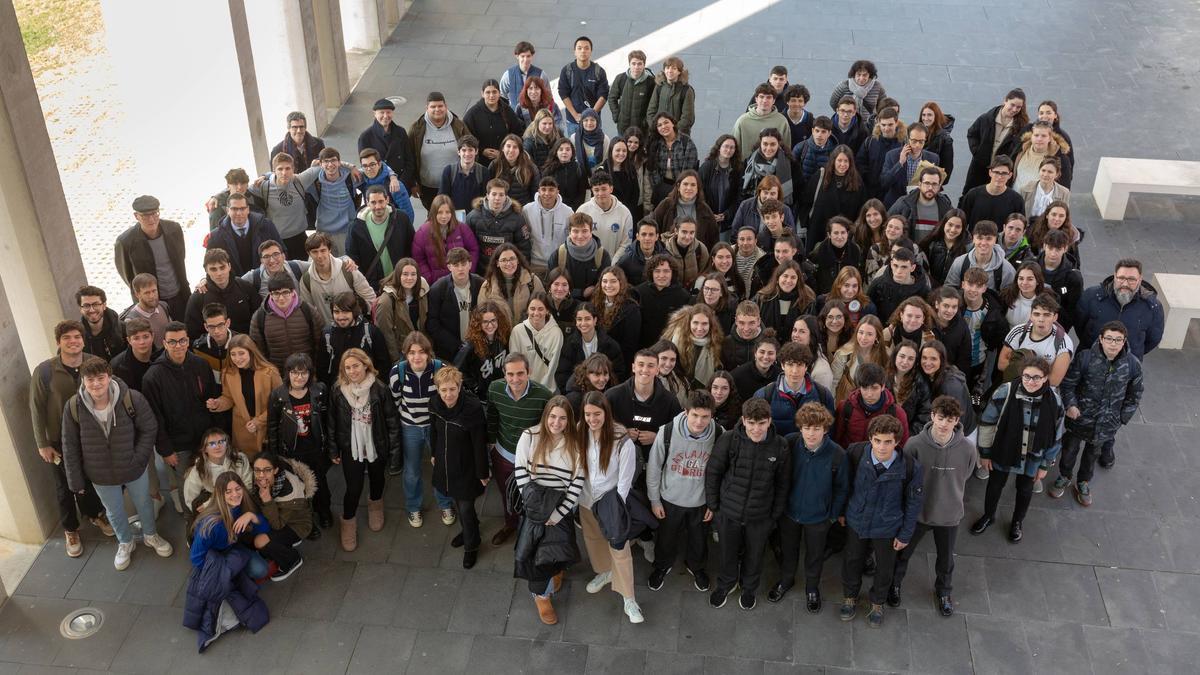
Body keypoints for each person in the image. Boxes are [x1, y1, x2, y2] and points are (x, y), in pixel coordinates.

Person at [62, 355, 173, 569]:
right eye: (90, 379)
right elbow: (70, 445)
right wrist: (75, 480)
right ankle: (125, 542)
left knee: (144, 502)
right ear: (83, 381)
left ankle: (151, 535)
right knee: (113, 511)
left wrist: (138, 457)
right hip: (100, 473)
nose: (96, 384)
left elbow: (149, 428)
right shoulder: (73, 407)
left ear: (109, 377)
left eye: (100, 378)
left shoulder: (131, 398)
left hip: (133, 467)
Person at [885, 395, 973, 617]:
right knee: (902, 553)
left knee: (946, 559)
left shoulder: (968, 449)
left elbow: (967, 473)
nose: (944, 424)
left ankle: (944, 592)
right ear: (932, 416)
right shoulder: (914, 444)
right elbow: (904, 476)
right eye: (941, 417)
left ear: (957, 421)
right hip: (918, 513)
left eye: (950, 419)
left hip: (949, 514)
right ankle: (894, 585)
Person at [31, 322, 112, 558]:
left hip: (90, 437)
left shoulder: (94, 363)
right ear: (58, 342)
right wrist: (42, 443)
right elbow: (36, 409)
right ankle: (70, 529)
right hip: (59, 441)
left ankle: (95, 514)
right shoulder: (45, 371)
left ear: (84, 340)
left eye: (77, 336)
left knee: (90, 480)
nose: (73, 341)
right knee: (64, 487)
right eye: (67, 337)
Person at [705, 397, 791, 610]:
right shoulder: (729, 440)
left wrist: (774, 515)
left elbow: (783, 484)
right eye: (751, 423)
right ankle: (726, 584)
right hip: (729, 511)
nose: (756, 429)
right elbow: (713, 472)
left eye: (761, 423)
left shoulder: (780, 447)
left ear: (769, 421)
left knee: (755, 555)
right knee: (727, 552)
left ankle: (749, 588)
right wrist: (714, 506)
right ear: (743, 421)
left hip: (760, 516)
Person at [838, 414, 923, 627]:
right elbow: (844, 486)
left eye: (888, 442)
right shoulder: (855, 453)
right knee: (852, 560)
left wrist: (905, 534)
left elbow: (913, 503)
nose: (882, 447)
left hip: (888, 527)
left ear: (897, 442)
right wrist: (841, 512)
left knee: (885, 567)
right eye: (877, 440)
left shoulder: (911, 467)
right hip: (857, 520)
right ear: (870, 439)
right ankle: (850, 596)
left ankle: (877, 601)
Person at [1050, 321, 1144, 507]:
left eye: (1118, 340)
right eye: (1109, 338)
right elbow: (1068, 384)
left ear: (1124, 341)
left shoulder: (1132, 364)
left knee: (1092, 454)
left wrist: (1121, 418)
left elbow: (1135, 394)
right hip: (1079, 420)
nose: (1113, 343)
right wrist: (1071, 405)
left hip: (1106, 424)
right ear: (1101, 339)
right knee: (1069, 450)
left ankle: (1083, 482)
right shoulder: (1085, 358)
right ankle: (1064, 475)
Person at [971, 358, 1064, 543]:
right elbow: (987, 423)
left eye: (1036, 377)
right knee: (995, 485)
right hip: (1004, 450)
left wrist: (1046, 464)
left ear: (1046, 378)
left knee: (1025, 489)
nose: (1031, 381)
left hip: (1033, 456)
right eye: (1027, 376)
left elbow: (1057, 435)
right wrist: (985, 453)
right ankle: (989, 516)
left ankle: (1017, 522)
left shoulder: (1054, 401)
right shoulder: (1004, 392)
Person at [768, 402, 848, 611]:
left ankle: (812, 588)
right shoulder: (790, 443)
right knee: (788, 550)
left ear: (825, 429)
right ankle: (786, 580)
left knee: (815, 555)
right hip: (790, 512)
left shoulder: (837, 454)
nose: (811, 433)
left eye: (816, 428)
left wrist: (831, 516)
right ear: (800, 428)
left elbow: (842, 488)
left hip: (819, 517)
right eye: (806, 428)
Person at [514, 396, 585, 625]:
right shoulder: (530, 436)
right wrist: (538, 510)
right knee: (537, 559)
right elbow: (521, 474)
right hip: (534, 508)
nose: (556, 422)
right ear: (546, 416)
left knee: (557, 551)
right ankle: (541, 596)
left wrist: (557, 514)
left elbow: (576, 483)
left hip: (559, 511)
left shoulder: (575, 446)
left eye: (563, 418)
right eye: (553, 416)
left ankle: (555, 572)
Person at [577, 391, 646, 623]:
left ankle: (629, 598)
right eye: (587, 414)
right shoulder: (579, 432)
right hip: (586, 499)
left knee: (620, 548)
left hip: (611, 500)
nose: (592, 419)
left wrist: (616, 505)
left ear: (606, 412)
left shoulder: (621, 438)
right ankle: (605, 572)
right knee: (594, 539)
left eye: (597, 414)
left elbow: (625, 479)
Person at [184, 473, 270, 649]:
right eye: (228, 491)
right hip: (213, 559)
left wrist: (252, 517)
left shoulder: (243, 506)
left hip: (232, 550)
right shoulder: (210, 524)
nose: (235, 494)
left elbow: (264, 529)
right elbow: (196, 557)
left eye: (238, 489)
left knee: (260, 569)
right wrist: (223, 573)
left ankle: (236, 574)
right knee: (227, 585)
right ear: (220, 494)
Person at [646, 390, 718, 593]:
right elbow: (654, 467)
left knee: (699, 540)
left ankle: (696, 567)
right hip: (670, 498)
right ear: (686, 412)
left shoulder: (719, 434)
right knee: (666, 538)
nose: (699, 421)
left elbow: (720, 472)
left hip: (701, 501)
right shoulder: (667, 432)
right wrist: (655, 501)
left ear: (712, 415)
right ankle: (662, 565)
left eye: (705, 416)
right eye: (695, 415)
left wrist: (713, 503)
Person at [143, 321, 219, 513]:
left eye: (182, 340)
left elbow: (211, 399)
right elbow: (155, 418)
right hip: (179, 446)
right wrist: (166, 450)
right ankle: (191, 527)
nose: (178, 346)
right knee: (188, 488)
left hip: (205, 439)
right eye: (173, 342)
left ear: (188, 341)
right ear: (164, 343)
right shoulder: (153, 376)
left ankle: (215, 523)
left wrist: (215, 436)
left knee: (213, 482)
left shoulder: (201, 365)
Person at [329, 348, 400, 550]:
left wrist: (395, 454)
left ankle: (376, 505)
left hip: (376, 444)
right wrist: (333, 450)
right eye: (348, 367)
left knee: (378, 480)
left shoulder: (379, 388)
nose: (352, 371)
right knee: (353, 488)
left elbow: (392, 422)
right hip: (350, 446)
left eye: (356, 366)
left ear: (366, 365)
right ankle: (348, 521)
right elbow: (332, 422)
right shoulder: (338, 390)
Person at [487, 354, 554, 545]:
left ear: (528, 373)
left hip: (531, 458)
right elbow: (492, 416)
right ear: (504, 374)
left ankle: (532, 529)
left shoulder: (544, 395)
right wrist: (491, 441)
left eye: (520, 373)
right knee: (506, 493)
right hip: (503, 454)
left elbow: (548, 429)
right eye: (510, 374)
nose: (515, 379)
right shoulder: (495, 389)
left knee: (532, 495)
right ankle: (511, 524)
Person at [429, 365, 489, 568]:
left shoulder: (472, 408)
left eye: (452, 389)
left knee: (465, 507)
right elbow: (433, 431)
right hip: (446, 464)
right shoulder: (435, 404)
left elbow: (479, 442)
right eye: (443, 390)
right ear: (438, 389)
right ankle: (469, 529)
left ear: (459, 386)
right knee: (460, 503)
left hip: (467, 467)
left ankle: (472, 545)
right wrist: (433, 454)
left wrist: (482, 472)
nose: (448, 394)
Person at [266, 353, 332, 532]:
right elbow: (272, 426)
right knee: (299, 489)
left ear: (310, 374)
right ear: (287, 373)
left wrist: (331, 449)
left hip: (316, 448)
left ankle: (324, 512)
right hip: (291, 452)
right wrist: (274, 455)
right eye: (294, 372)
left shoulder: (319, 390)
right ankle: (307, 522)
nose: (299, 377)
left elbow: (328, 421)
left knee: (321, 484)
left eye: (304, 373)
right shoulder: (278, 395)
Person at [114, 195, 190, 320]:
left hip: (180, 296)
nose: (151, 219)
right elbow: (129, 278)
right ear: (136, 216)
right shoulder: (125, 242)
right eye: (145, 216)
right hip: (151, 303)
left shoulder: (174, 229)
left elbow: (181, 259)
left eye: (154, 213)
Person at [1076, 258, 1164, 364]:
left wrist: (1131, 353)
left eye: (1131, 279)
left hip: (1126, 367)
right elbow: (1079, 325)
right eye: (1121, 278)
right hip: (1089, 362)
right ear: (1114, 276)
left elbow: (1153, 339)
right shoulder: (1092, 296)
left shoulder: (1153, 307)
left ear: (1140, 280)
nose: (1125, 284)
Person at [211, 335, 281, 457]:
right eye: (233, 354)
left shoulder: (270, 372)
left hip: (267, 429)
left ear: (251, 352)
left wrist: (259, 422)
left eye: (241, 353)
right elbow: (228, 398)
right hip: (242, 431)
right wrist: (218, 404)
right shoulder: (227, 373)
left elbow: (280, 402)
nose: (237, 358)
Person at [249, 452, 313, 579]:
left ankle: (292, 560)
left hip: (296, 525)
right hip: (278, 516)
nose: (261, 475)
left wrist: (267, 499)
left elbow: (277, 525)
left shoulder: (289, 492)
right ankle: (279, 546)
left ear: (275, 470)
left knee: (260, 542)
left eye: (267, 470)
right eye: (257, 470)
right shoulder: (258, 479)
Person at [796, 145, 866, 253]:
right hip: (819, 231)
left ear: (851, 163)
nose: (842, 164)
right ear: (833, 160)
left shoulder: (857, 181)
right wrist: (807, 223)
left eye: (846, 161)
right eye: (839, 160)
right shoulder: (821, 175)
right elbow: (806, 200)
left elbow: (861, 208)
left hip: (843, 234)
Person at [297, 232, 377, 325]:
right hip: (328, 334)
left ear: (329, 250)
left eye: (323, 250)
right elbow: (308, 312)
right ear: (309, 253)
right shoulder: (306, 280)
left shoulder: (348, 270)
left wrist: (360, 319)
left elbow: (370, 298)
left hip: (355, 329)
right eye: (315, 252)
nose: (319, 256)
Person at [755, 342, 836, 435]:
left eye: (799, 365)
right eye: (790, 364)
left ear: (806, 367)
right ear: (782, 365)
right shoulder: (764, 395)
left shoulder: (823, 395)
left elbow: (829, 432)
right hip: (777, 449)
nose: (794, 371)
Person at [296, 147, 365, 255]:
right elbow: (291, 179)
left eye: (333, 160)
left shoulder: (350, 176)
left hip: (346, 231)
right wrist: (265, 176)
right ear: (321, 164)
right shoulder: (315, 181)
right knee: (327, 266)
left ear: (339, 162)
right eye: (326, 162)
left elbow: (375, 168)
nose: (330, 165)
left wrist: (393, 176)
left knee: (347, 265)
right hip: (324, 232)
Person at [997, 293, 1074, 389]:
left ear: (1055, 317)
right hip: (1015, 388)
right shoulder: (1018, 332)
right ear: (1031, 316)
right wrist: (1041, 371)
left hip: (1043, 393)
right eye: (1036, 314)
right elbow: (1001, 364)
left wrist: (1017, 364)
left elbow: (1054, 381)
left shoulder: (1064, 343)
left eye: (1047, 315)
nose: (1041, 319)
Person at [249, 274, 323, 373]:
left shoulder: (308, 310)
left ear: (293, 292)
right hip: (278, 374)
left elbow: (320, 342)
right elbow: (258, 352)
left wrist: (315, 370)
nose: (281, 298)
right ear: (270, 294)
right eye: (276, 293)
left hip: (306, 371)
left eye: (285, 292)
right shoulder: (259, 317)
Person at [409, 92, 470, 210]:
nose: (437, 109)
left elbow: (470, 149)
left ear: (446, 106)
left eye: (440, 106)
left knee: (455, 217)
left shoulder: (459, 125)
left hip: (455, 184)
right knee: (434, 218)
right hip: (428, 187)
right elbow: (409, 156)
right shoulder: (416, 129)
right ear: (427, 108)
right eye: (433, 106)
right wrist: (412, 183)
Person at [346, 185, 414, 291]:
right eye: (373, 202)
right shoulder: (356, 227)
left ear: (387, 200)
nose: (378, 206)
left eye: (381, 201)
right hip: (373, 284)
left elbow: (411, 246)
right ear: (367, 202)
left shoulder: (401, 218)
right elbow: (352, 256)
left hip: (400, 279)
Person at [246, 153, 312, 259]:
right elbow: (240, 188)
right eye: (280, 169)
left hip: (300, 238)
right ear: (274, 171)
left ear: (293, 169)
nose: (284, 173)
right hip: (277, 241)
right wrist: (216, 197)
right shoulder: (264, 187)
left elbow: (323, 164)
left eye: (288, 168)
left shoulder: (300, 181)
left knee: (302, 270)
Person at [963, 89, 1028, 192]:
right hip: (980, 167)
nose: (1014, 109)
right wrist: (977, 152)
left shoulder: (1021, 127)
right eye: (1012, 105)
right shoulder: (986, 118)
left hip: (1001, 172)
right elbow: (972, 133)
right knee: (971, 194)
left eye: (1018, 107)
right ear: (1005, 101)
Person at [425, 247, 484, 360]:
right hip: (448, 350)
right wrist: (456, 345)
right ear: (449, 267)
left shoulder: (481, 284)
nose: (460, 268)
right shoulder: (438, 289)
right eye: (456, 265)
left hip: (478, 346)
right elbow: (432, 324)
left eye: (463, 264)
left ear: (470, 265)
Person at [185, 249, 257, 339]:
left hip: (244, 346)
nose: (219, 273)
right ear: (206, 270)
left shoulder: (245, 287)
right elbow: (192, 332)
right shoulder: (198, 297)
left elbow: (258, 320)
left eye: (222, 267)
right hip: (214, 350)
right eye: (213, 269)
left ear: (229, 266)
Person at [834, 362, 910, 447]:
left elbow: (902, 446)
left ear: (883, 386)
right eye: (865, 388)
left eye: (874, 388)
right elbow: (836, 439)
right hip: (849, 458)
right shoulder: (845, 407)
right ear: (859, 387)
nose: (869, 394)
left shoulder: (897, 413)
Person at [207, 192, 282, 277]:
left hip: (266, 279)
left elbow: (282, 251)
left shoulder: (266, 226)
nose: (239, 213)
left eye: (242, 208)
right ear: (228, 211)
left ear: (248, 209)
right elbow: (209, 264)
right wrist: (204, 280)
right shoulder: (216, 236)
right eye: (234, 209)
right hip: (236, 285)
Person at [555, 303, 624, 392]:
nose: (583, 323)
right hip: (578, 391)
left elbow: (618, 373)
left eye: (587, 319)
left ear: (595, 320)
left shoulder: (609, 345)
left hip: (604, 392)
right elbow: (562, 374)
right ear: (576, 322)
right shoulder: (569, 344)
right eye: (579, 319)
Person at [182, 427, 254, 511]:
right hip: (215, 508)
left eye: (221, 442)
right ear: (205, 449)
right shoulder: (198, 469)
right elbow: (191, 501)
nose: (217, 447)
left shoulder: (240, 459)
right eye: (212, 444)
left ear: (227, 444)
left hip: (241, 501)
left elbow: (248, 485)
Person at [454, 300, 511, 403]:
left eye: (493, 320)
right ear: (478, 323)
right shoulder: (470, 346)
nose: (490, 325)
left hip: (502, 395)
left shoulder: (503, 338)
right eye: (485, 322)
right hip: (482, 399)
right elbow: (457, 370)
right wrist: (475, 387)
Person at [547, 213, 612, 302]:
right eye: (575, 231)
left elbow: (605, 286)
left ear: (591, 232)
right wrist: (581, 292)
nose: (580, 236)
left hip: (593, 304)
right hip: (564, 303)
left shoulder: (602, 255)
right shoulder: (558, 255)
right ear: (569, 232)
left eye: (584, 231)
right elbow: (551, 285)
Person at [558, 35, 610, 138]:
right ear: (575, 51)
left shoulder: (598, 71)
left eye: (587, 48)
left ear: (591, 51)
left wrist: (591, 116)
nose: (583, 51)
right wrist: (575, 115)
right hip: (573, 121)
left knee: (595, 150)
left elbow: (603, 95)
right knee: (574, 150)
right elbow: (563, 93)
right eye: (579, 48)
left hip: (593, 122)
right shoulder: (567, 70)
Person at [358, 98, 416, 190]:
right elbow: (366, 167)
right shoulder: (366, 137)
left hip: (401, 185)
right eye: (382, 112)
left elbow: (409, 160)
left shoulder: (400, 132)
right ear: (375, 114)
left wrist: (403, 183)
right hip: (379, 189)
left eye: (388, 112)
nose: (385, 116)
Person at [576, 170, 634, 262]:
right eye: (596, 190)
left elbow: (626, 244)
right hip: (588, 263)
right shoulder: (583, 210)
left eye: (604, 189)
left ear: (611, 189)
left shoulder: (625, 213)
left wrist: (612, 263)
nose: (600, 193)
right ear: (592, 190)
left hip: (613, 265)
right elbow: (576, 239)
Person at [942, 221, 1016, 291]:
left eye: (989, 239)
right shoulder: (960, 262)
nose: (983, 243)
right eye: (980, 238)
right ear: (973, 238)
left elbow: (1008, 298)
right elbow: (949, 290)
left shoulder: (1007, 269)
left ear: (995, 240)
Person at [830, 315, 888, 403]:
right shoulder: (844, 354)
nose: (863, 338)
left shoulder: (884, 355)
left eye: (869, 334)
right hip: (848, 403)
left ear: (877, 336)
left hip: (872, 403)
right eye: (861, 332)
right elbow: (833, 383)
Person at [522, 177, 572, 275]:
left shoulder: (568, 212)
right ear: (538, 191)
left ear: (557, 191)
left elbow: (570, 239)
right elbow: (524, 237)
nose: (547, 193)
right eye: (543, 189)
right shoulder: (527, 210)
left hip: (558, 264)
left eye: (551, 190)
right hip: (534, 263)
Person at [888, 167, 951, 244]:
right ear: (920, 184)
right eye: (927, 183)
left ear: (939, 186)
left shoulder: (945, 205)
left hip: (933, 254)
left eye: (934, 184)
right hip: (909, 252)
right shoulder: (904, 203)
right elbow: (887, 223)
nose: (930, 188)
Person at [959, 156, 1025, 228]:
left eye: (1004, 173)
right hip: (975, 238)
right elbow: (962, 222)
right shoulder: (973, 195)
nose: (1000, 177)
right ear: (990, 172)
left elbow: (1020, 227)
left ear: (1010, 175)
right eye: (996, 172)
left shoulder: (1017, 200)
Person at [648, 113, 700, 203]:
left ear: (673, 123)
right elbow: (653, 170)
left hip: (681, 190)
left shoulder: (686, 143)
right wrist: (659, 187)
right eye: (659, 125)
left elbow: (688, 172)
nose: (663, 126)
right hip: (661, 189)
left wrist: (678, 190)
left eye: (666, 122)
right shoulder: (656, 144)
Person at [867, 247, 929, 323]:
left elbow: (927, 318)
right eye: (896, 266)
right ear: (891, 264)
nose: (898, 271)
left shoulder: (923, 290)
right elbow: (867, 311)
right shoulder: (878, 284)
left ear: (912, 268)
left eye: (904, 267)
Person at [855, 107, 905, 202]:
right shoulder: (870, 141)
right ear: (878, 123)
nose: (886, 129)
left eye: (890, 125)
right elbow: (860, 163)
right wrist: (868, 178)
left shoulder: (903, 143)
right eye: (883, 125)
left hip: (893, 194)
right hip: (871, 192)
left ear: (896, 123)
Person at [597, 137, 651, 223]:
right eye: (618, 150)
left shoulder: (630, 168)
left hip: (628, 215)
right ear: (611, 151)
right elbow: (598, 197)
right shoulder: (602, 171)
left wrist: (627, 213)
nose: (621, 153)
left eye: (624, 151)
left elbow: (635, 193)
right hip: (608, 216)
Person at [698, 135, 742, 238]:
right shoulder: (706, 167)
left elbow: (738, 197)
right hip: (706, 220)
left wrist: (726, 215)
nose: (728, 150)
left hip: (727, 223)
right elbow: (700, 193)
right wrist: (709, 213)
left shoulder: (738, 169)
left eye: (732, 147)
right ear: (719, 148)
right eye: (726, 146)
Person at [597, 267, 643, 364]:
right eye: (604, 281)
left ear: (621, 283)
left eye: (613, 281)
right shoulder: (596, 303)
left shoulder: (631, 309)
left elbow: (630, 345)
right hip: (597, 360)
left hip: (618, 362)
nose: (608, 285)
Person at [733, 83, 792, 158]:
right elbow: (734, 148)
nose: (765, 100)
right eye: (761, 97)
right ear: (756, 99)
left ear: (774, 100)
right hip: (746, 167)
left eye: (768, 97)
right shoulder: (742, 121)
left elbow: (786, 150)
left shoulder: (782, 121)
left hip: (775, 168)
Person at [1012, 121, 1073, 191]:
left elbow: (1064, 188)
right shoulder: (1020, 149)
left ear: (1050, 138)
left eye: (1043, 136)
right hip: (1014, 199)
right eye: (1036, 135)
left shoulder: (1060, 159)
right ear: (1031, 136)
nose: (1039, 139)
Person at [810, 217, 863, 295]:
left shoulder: (855, 250)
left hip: (849, 294)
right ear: (829, 235)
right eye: (836, 233)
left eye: (843, 232)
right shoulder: (819, 251)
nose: (840, 237)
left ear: (847, 234)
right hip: (826, 296)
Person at [608, 49, 655, 136]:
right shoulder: (621, 78)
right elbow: (612, 97)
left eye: (639, 64)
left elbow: (654, 105)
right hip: (623, 128)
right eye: (633, 63)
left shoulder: (651, 82)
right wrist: (617, 116)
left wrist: (647, 122)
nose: (636, 67)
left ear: (644, 65)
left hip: (641, 130)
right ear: (629, 64)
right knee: (622, 149)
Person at [645, 55, 695, 134]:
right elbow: (651, 110)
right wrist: (655, 128)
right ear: (664, 70)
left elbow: (688, 118)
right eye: (667, 68)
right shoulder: (659, 86)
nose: (670, 71)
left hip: (678, 135)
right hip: (659, 134)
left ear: (679, 72)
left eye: (674, 68)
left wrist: (672, 132)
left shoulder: (687, 90)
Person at [438, 135, 489, 211]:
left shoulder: (483, 171)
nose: (467, 154)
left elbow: (486, 199)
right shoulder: (449, 171)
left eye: (470, 150)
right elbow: (442, 198)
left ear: (476, 151)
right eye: (464, 150)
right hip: (454, 216)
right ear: (458, 152)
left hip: (476, 216)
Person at [119, 273, 170, 348]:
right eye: (147, 293)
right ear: (137, 295)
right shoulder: (131, 320)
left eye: (154, 291)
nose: (152, 296)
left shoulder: (163, 306)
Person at [77, 285, 126, 362]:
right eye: (86, 306)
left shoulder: (124, 329)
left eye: (96, 304)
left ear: (104, 305)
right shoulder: (77, 336)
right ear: (80, 309)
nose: (92, 310)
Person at [489, 134, 541, 205]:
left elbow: (535, 193)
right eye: (508, 146)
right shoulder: (495, 165)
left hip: (522, 208)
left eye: (515, 147)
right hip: (501, 207)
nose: (511, 150)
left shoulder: (530, 167)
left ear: (520, 150)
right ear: (503, 148)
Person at [113, 318, 159, 394]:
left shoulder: (163, 357)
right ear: (129, 340)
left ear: (152, 336)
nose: (142, 342)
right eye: (136, 338)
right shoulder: (117, 367)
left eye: (146, 336)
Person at [732, 336, 781, 402]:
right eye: (762, 352)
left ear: (776, 355)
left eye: (770, 353)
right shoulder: (737, 375)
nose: (766, 357)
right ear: (755, 353)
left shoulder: (781, 376)